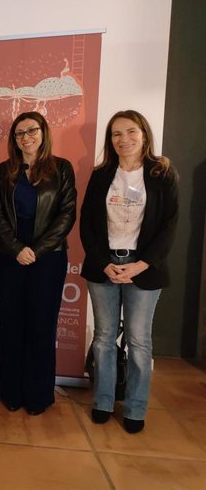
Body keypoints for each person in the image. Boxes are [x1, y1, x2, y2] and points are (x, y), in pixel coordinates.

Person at [81, 109, 178, 433]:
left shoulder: (161, 173)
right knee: (105, 339)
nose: (124, 139)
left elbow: (169, 225)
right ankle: (103, 402)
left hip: (144, 268)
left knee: (139, 341)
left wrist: (142, 263)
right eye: (116, 134)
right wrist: (103, 262)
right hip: (104, 265)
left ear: (144, 134)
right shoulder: (100, 175)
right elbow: (88, 225)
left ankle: (136, 408)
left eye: (130, 131)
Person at [0, 111, 77, 415]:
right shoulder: (4, 171)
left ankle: (38, 395)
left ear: (43, 133)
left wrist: (36, 250)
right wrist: (16, 249)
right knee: (12, 325)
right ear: (13, 139)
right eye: (19, 133)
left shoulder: (62, 169)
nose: (26, 138)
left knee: (41, 326)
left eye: (32, 131)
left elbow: (67, 214)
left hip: (48, 260)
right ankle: (11, 392)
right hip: (9, 259)